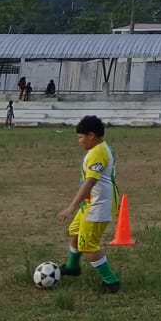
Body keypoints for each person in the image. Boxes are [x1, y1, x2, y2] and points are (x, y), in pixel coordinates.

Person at [56, 114, 120, 292]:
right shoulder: (100, 149)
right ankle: (73, 266)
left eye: (80, 137)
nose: (79, 141)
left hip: (99, 205)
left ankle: (111, 282)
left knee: (88, 244)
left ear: (91, 135)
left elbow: (90, 182)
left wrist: (72, 206)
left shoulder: (98, 153)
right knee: (75, 231)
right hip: (90, 203)